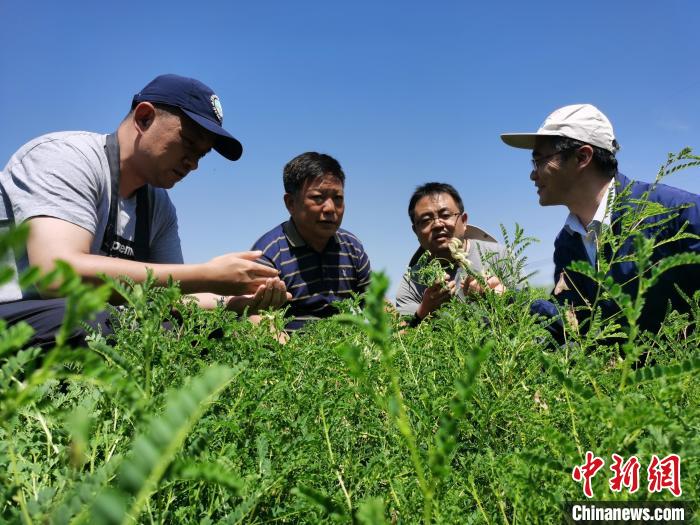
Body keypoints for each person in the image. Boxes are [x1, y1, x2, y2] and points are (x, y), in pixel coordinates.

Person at [0, 74, 290, 348]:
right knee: (96, 321)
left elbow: (169, 297)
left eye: (201, 155)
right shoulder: (66, 157)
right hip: (18, 313)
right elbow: (56, 276)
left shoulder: (158, 206)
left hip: (92, 318)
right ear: (144, 117)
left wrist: (232, 306)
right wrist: (208, 274)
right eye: (188, 143)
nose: (194, 164)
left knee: (208, 330)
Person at [501, 103, 700, 343]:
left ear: (582, 157)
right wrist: (506, 299)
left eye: (540, 160)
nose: (533, 174)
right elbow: (574, 327)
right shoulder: (567, 243)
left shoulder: (675, 213)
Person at [251, 152, 371, 330]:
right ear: (291, 203)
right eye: (318, 198)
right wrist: (287, 351)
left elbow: (376, 301)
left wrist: (402, 334)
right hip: (293, 353)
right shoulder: (269, 254)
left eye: (338, 198)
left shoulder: (352, 247)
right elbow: (255, 316)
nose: (330, 208)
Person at [396, 182, 507, 325]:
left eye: (446, 215)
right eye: (425, 220)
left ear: (464, 220)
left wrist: (502, 298)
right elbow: (402, 339)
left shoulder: (499, 255)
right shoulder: (412, 282)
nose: (437, 224)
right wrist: (424, 311)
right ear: (415, 231)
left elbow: (531, 309)